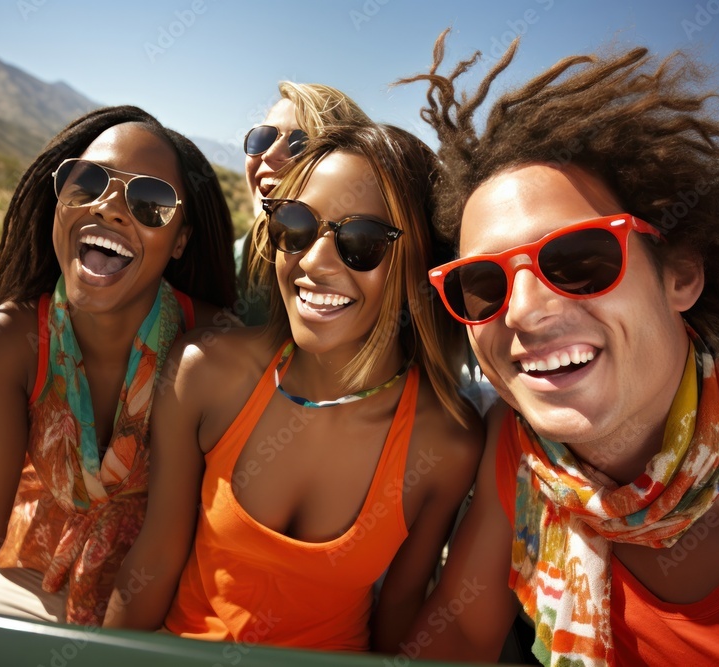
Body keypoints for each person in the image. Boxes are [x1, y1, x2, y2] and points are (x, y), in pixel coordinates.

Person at [398, 32, 719, 666]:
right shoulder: (522, 452)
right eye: (482, 284)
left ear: (681, 273)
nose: (523, 311)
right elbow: (460, 638)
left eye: (578, 260)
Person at [103, 123, 484, 653]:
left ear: (423, 262)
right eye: (296, 225)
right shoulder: (204, 372)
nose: (314, 262)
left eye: (362, 240)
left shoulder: (448, 443)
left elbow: (399, 609)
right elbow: (155, 559)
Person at [0, 106, 237, 626]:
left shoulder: (209, 348)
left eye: (150, 202)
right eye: (88, 182)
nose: (109, 208)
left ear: (180, 240)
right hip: (32, 572)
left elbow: (164, 548)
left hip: (163, 600)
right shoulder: (8, 341)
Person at [235, 82, 372, 325]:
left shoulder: (363, 265)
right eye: (262, 138)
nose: (269, 154)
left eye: (301, 143)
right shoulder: (231, 260)